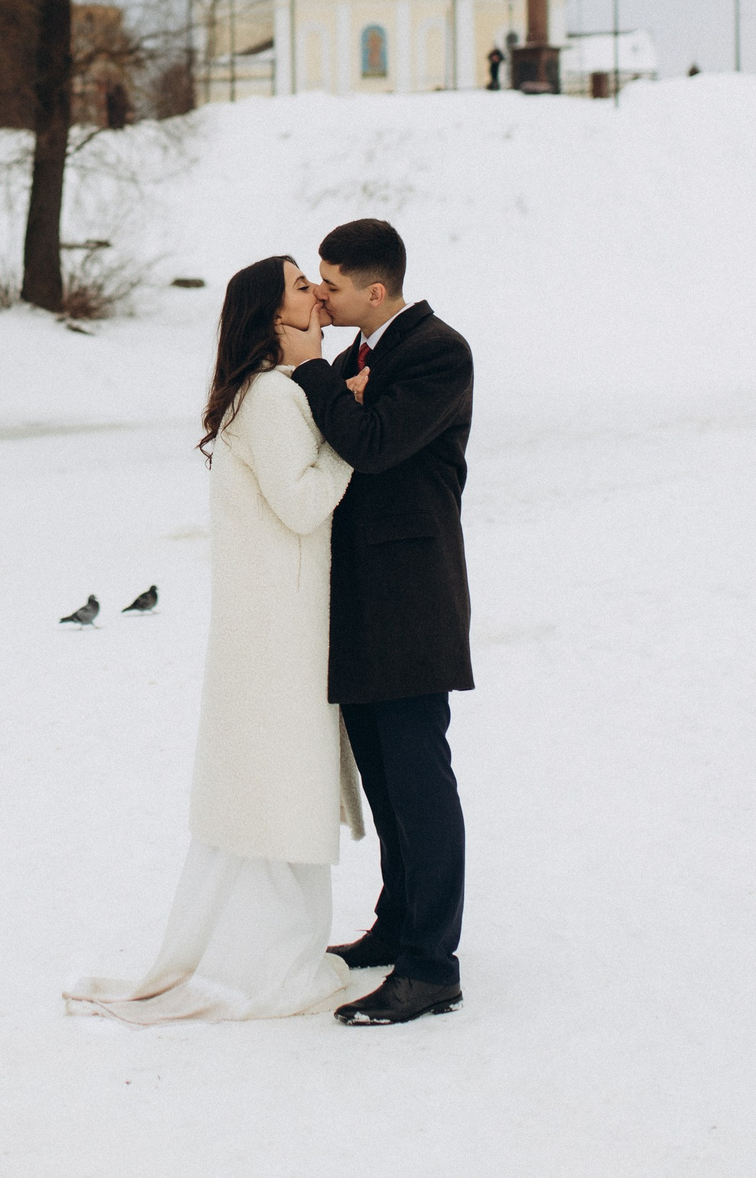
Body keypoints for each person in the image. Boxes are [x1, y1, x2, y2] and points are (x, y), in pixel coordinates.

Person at [65, 255, 365, 1024]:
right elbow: (303, 504)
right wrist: (347, 438)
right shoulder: (271, 397)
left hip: (269, 626)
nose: (316, 292)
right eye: (300, 285)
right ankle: (279, 964)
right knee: (282, 786)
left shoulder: (262, 392)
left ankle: (271, 951)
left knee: (272, 786)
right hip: (283, 633)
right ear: (273, 316)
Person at [282, 217, 475, 1027]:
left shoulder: (437, 351)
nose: (321, 296)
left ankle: (432, 966)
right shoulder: (355, 361)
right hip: (358, 605)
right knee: (387, 784)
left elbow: (371, 443)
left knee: (420, 783)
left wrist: (311, 371)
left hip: (412, 603)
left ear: (376, 288)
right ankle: (397, 925)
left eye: (331, 283)